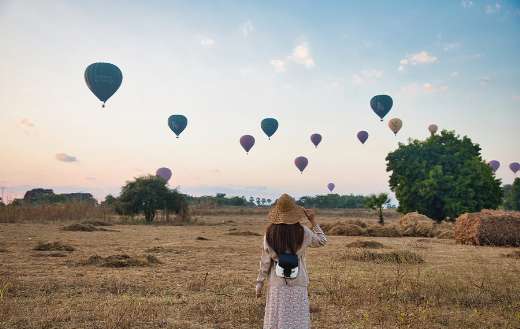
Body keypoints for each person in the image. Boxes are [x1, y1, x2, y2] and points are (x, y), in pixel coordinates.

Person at [256, 193, 327, 329]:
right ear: (295, 213)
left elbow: (265, 261)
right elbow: (322, 240)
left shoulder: (270, 233)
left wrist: (259, 283)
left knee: (276, 319)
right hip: (298, 281)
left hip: (276, 283)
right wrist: (313, 221)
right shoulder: (304, 232)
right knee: (297, 320)